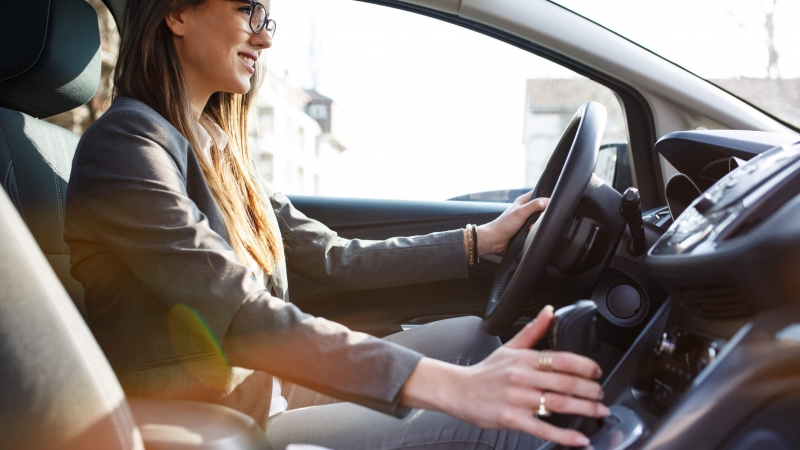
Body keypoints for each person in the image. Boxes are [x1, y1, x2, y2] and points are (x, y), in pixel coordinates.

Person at [64, 0, 608, 448]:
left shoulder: (219, 150)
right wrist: (456, 389)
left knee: (473, 338)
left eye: (267, 19)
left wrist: (479, 240)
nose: (266, 38)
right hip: (212, 420)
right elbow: (237, 312)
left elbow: (334, 257)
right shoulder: (125, 146)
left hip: (271, 390)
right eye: (248, 11)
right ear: (176, 15)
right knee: (491, 423)